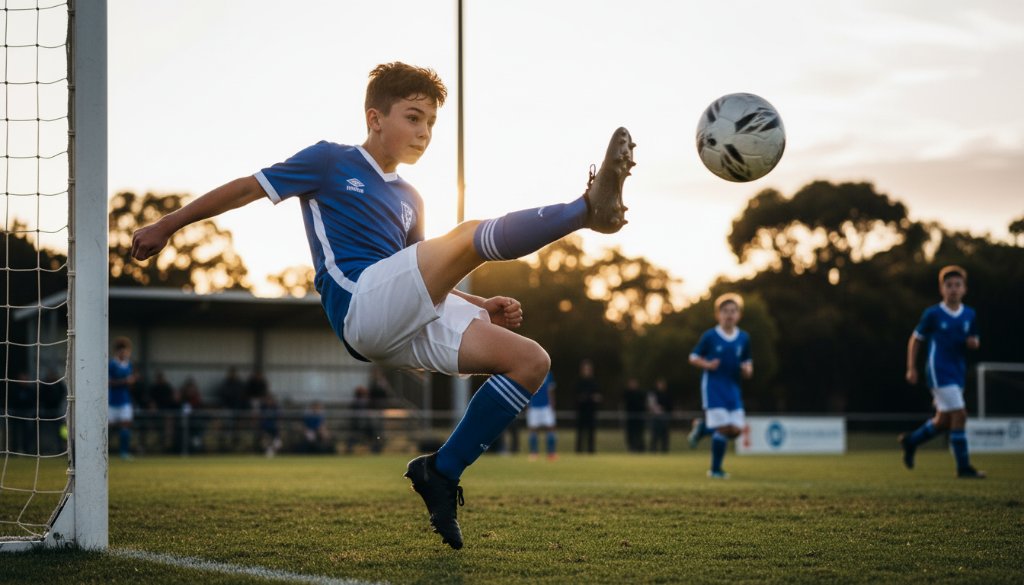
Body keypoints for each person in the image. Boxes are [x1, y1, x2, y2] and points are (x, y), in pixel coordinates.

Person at [130, 62, 635, 549]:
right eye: (413, 118)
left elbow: (418, 274)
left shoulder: (412, 196)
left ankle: (441, 471)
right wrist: (167, 224)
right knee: (463, 238)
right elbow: (247, 187)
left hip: (401, 312)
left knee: (530, 361)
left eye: (432, 122)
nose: (425, 132)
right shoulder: (330, 160)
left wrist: (477, 302)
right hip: (359, 305)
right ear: (375, 118)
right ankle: (586, 210)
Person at [899, 265, 985, 478]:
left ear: (964, 288)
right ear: (942, 289)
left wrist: (974, 343)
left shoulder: (969, 314)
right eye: (949, 285)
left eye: (957, 285)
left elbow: (974, 339)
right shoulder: (933, 314)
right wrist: (911, 367)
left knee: (944, 421)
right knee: (960, 414)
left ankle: (911, 441)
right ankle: (963, 467)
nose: (953, 289)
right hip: (938, 371)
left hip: (957, 372)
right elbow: (915, 339)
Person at [688, 293, 752, 478]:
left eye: (733, 311)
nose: (729, 314)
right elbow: (693, 357)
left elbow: (748, 362)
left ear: (739, 314)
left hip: (733, 388)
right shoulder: (710, 336)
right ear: (718, 315)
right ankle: (715, 470)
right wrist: (707, 365)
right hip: (714, 387)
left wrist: (747, 370)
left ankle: (702, 428)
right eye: (725, 311)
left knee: (736, 430)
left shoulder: (744, 338)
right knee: (722, 428)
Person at [108, 336, 138, 460]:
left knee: (126, 425)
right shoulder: (112, 364)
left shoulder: (128, 364)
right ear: (118, 351)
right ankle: (102, 452)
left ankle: (123, 452)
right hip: (111, 401)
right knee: (106, 427)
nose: (125, 353)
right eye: (122, 350)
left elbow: (129, 382)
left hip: (125, 400)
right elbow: (108, 382)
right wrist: (125, 381)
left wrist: (132, 381)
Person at [526, 371, 557, 461]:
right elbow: (527, 389)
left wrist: (552, 403)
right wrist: (527, 404)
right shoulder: (530, 373)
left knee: (551, 427)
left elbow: (550, 390)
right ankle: (534, 453)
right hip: (534, 406)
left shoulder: (548, 374)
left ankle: (551, 453)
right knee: (533, 429)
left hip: (546, 406)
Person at [574, 359, 602, 454]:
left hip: (591, 410)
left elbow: (598, 396)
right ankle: (579, 450)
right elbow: (575, 397)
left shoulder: (594, 382)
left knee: (591, 431)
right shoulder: (579, 382)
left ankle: (591, 450)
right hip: (581, 410)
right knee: (580, 431)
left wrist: (594, 398)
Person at [647, 377, 673, 453]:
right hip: (655, 416)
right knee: (654, 434)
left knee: (665, 435)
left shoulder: (667, 394)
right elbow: (650, 405)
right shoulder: (653, 393)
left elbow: (670, 406)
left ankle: (664, 450)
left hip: (665, 416)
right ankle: (653, 449)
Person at [622, 377, 646, 453]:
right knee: (630, 434)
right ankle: (631, 448)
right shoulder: (627, 393)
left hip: (639, 417)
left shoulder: (640, 393)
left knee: (639, 434)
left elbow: (643, 405)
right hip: (630, 417)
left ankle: (640, 448)